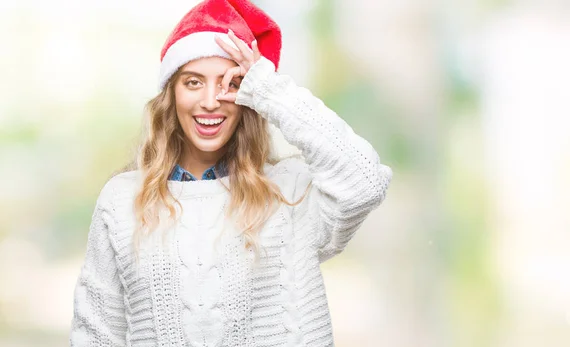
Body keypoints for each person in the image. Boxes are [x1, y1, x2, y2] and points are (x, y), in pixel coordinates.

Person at [69, 0, 392, 346]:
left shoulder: (290, 192)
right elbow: (95, 334)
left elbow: (366, 181)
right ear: (171, 95)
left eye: (231, 83)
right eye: (193, 82)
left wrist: (270, 89)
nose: (211, 101)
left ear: (249, 97)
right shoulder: (122, 200)